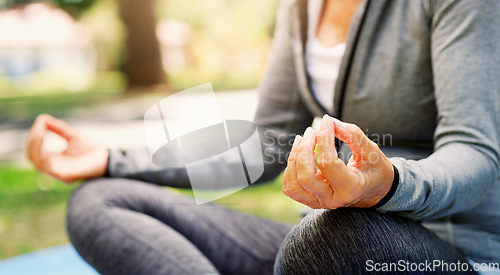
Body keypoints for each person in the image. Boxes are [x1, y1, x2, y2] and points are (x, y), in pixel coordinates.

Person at [27, 0, 500, 274]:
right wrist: (113, 159)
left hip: (449, 254)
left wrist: (389, 185)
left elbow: (475, 152)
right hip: (316, 252)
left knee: (324, 241)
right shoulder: (301, 6)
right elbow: (266, 144)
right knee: (100, 202)